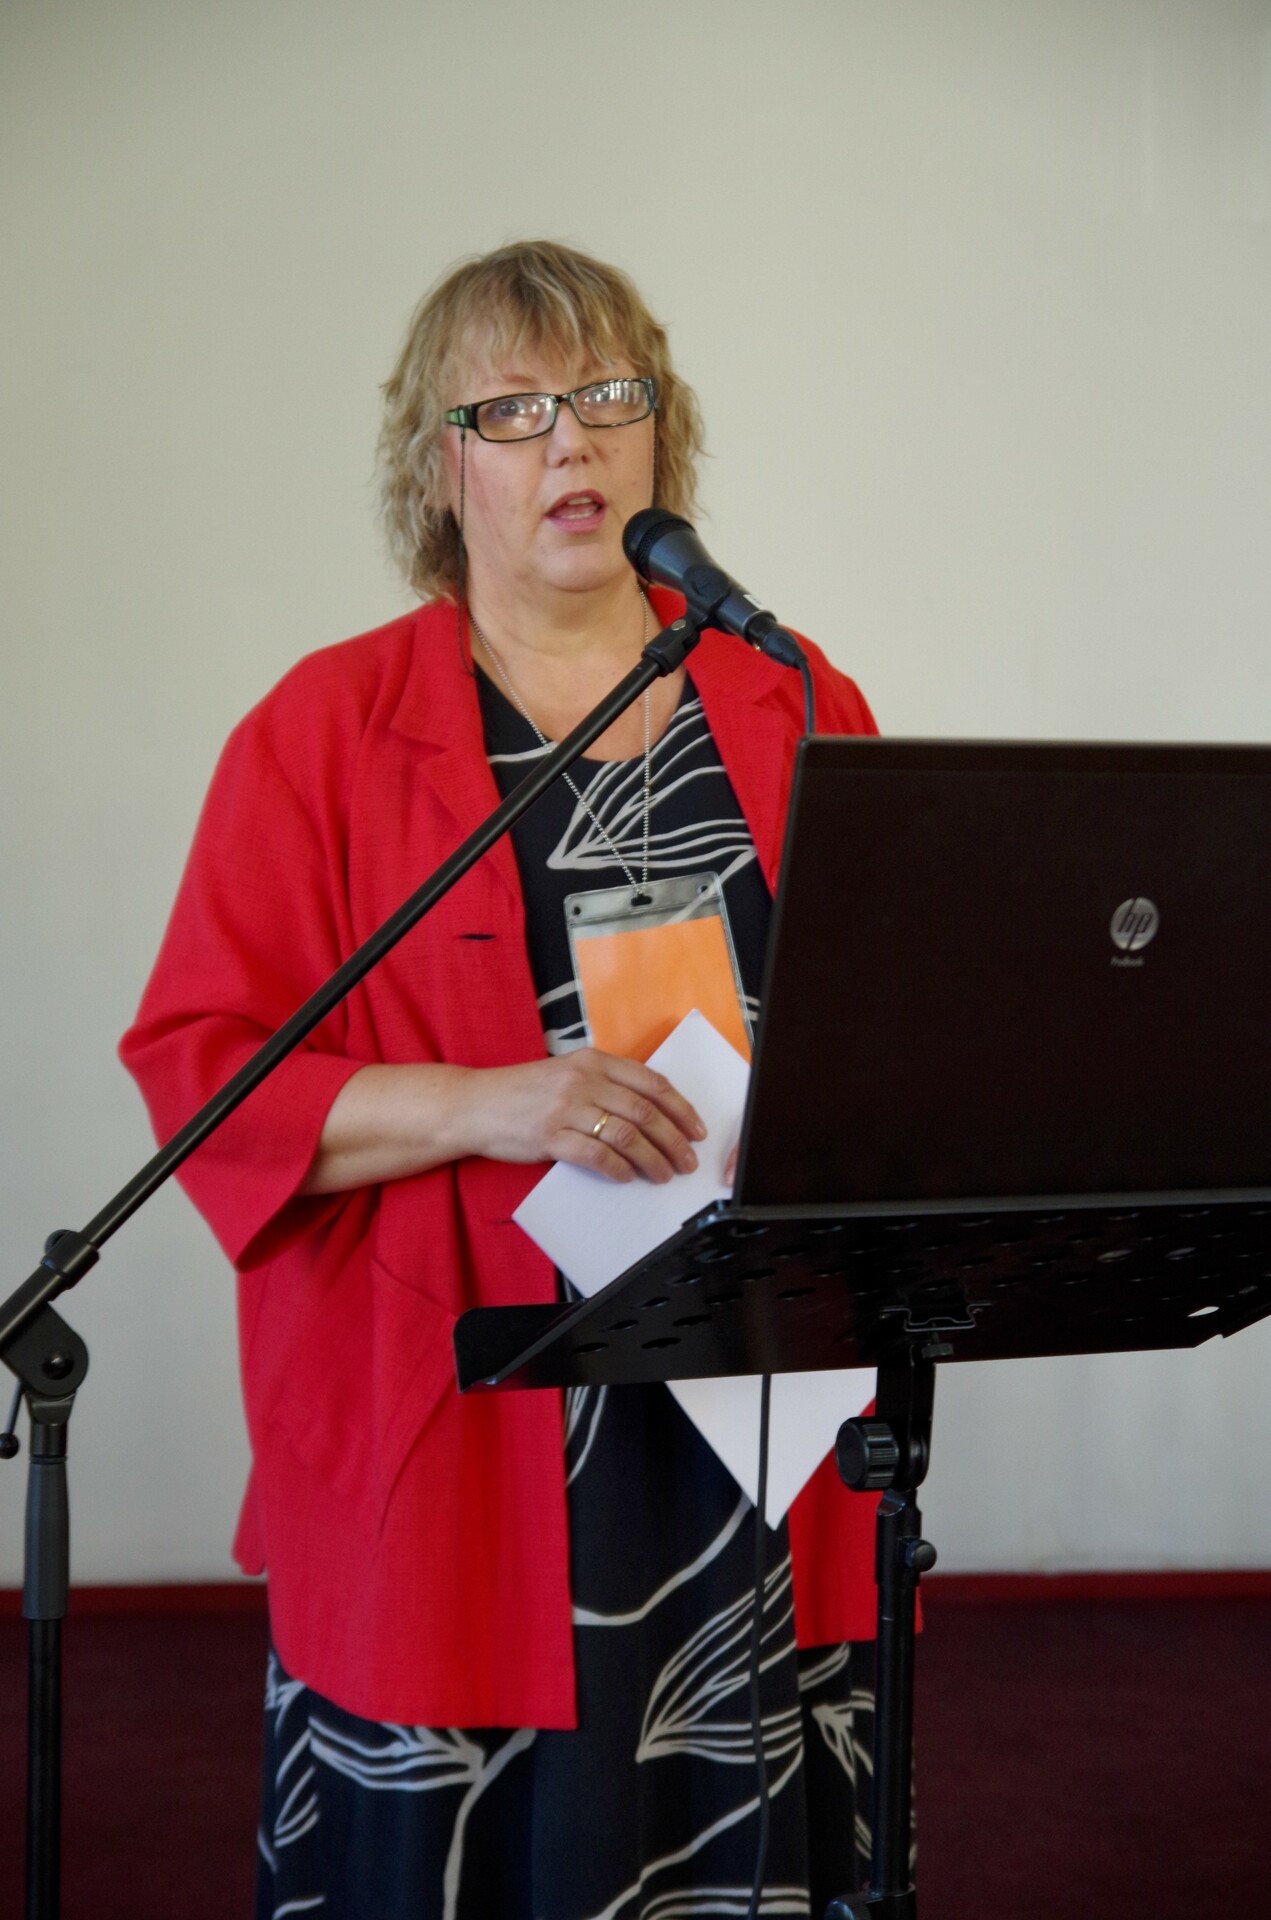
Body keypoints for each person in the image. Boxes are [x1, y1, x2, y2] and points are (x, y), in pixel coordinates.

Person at [121, 240, 884, 1919]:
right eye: (514, 409)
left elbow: (899, 1009)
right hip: (465, 1417)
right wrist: (498, 1099)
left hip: (754, 1412)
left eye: (610, 396)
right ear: (438, 464)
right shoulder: (321, 733)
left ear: (663, 433)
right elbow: (205, 1080)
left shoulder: (790, 694)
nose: (573, 442)